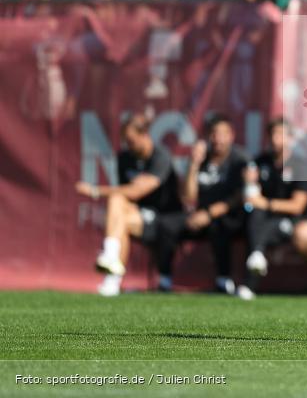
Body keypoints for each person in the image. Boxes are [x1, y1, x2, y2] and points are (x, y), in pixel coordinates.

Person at [74, 113, 181, 297]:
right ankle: (111, 259)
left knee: (117, 203)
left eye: (131, 140)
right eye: (125, 141)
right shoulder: (124, 158)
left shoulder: (160, 156)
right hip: (137, 214)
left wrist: (95, 191)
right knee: (117, 202)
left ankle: (112, 276)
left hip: (163, 218)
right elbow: (126, 193)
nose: (128, 145)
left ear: (145, 135)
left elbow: (137, 191)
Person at [158, 114, 249, 294]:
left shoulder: (240, 159)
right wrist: (193, 164)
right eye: (214, 134)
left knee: (220, 225)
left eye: (223, 134)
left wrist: (209, 214)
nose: (218, 139)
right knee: (167, 224)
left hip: (226, 216)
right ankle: (164, 279)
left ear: (231, 135)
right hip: (199, 214)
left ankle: (224, 279)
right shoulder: (202, 158)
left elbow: (239, 197)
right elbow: (189, 197)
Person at [237, 117, 307, 300]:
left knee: (262, 225)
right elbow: (251, 199)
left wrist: (266, 203)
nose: (275, 139)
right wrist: (249, 183)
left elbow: (298, 206)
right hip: (262, 218)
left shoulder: (299, 165)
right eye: (272, 134)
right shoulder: (260, 162)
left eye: (280, 134)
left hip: (291, 221)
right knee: (254, 215)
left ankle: (250, 282)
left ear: (290, 138)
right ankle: (255, 260)